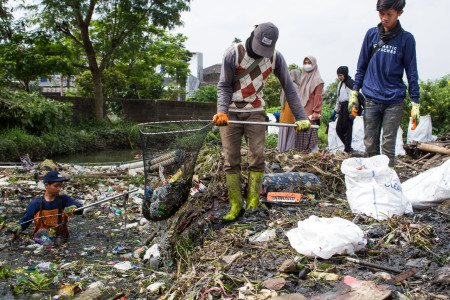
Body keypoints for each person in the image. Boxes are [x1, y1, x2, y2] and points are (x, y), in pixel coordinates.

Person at [213, 22, 310, 221]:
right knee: (231, 159)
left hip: (256, 112)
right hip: (230, 112)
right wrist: (221, 111)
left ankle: (252, 202)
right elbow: (223, 85)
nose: (261, 54)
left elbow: (289, 88)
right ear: (252, 37)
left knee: (256, 156)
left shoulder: (275, 57)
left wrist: (301, 117)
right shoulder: (233, 53)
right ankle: (235, 204)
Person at [351, 0, 420, 167]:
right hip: (372, 98)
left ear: (399, 13)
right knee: (370, 145)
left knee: (388, 147)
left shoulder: (406, 39)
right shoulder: (371, 35)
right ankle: (372, 184)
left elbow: (412, 73)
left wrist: (415, 101)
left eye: (389, 14)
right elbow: (362, 65)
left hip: (394, 100)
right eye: (382, 14)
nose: (384, 18)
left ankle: (388, 186)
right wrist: (355, 91)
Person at [12, 170, 83, 239]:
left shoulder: (64, 199)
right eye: (56, 186)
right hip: (40, 239)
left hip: (62, 238)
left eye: (60, 186)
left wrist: (74, 207)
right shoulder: (36, 203)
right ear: (46, 185)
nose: (59, 189)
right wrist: (20, 226)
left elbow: (80, 210)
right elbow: (26, 220)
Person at [295, 56, 324, 153]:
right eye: (305, 62)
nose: (307, 65)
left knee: (310, 137)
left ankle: (311, 157)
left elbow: (318, 96)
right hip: (302, 113)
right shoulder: (303, 79)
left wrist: (316, 111)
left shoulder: (317, 80)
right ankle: (301, 156)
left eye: (309, 62)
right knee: (300, 135)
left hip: (311, 114)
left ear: (314, 64)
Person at [277, 69, 302, 152]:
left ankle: (281, 149)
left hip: (284, 111)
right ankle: (288, 150)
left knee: (284, 131)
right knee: (291, 130)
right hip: (292, 112)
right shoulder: (296, 86)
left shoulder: (286, 84)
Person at [335, 66, 355, 154]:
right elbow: (338, 99)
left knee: (347, 129)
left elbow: (354, 98)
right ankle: (348, 146)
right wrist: (337, 111)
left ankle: (347, 149)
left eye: (341, 75)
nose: (340, 77)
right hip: (342, 107)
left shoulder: (350, 83)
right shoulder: (340, 84)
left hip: (349, 107)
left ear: (345, 74)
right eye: (338, 75)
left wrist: (352, 112)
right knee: (338, 129)